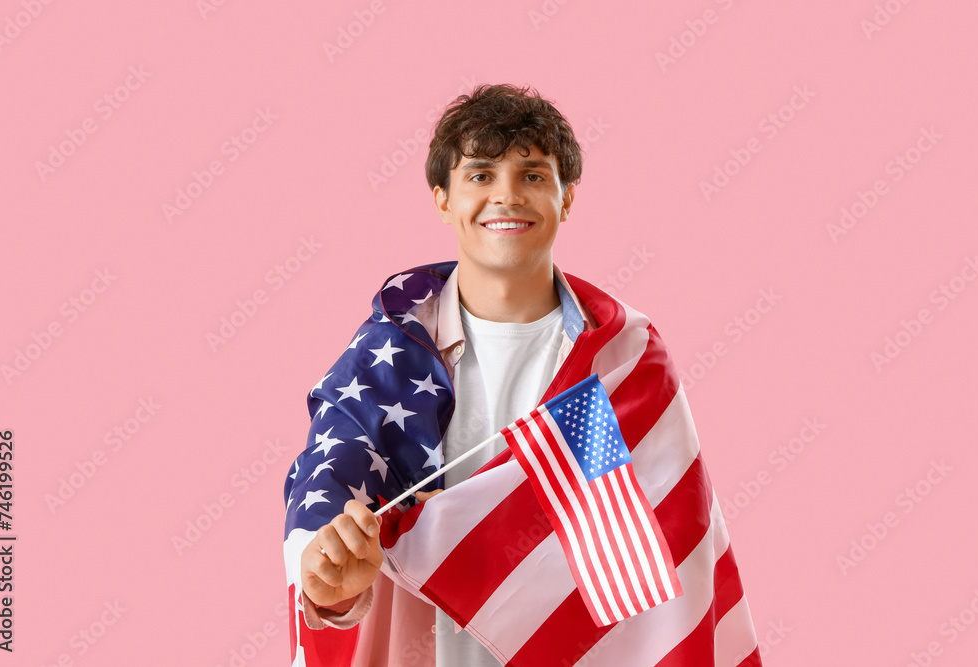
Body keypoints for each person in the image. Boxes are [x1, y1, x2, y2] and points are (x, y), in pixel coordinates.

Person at [283, 84, 762, 667]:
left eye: (533, 175)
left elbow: (665, 551)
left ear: (566, 198)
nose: (506, 196)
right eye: (480, 176)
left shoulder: (622, 357)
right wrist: (331, 581)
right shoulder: (386, 352)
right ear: (442, 200)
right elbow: (331, 503)